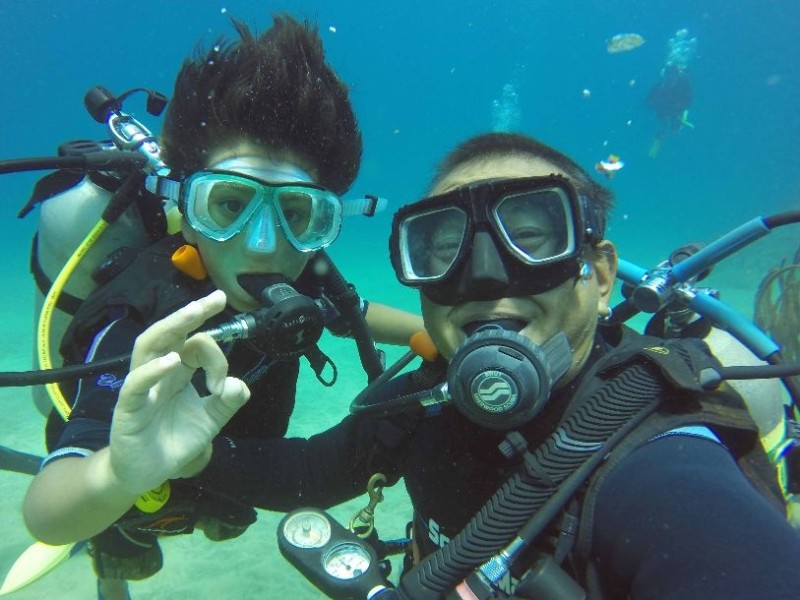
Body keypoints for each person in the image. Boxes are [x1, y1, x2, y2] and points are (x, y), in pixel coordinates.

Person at [27, 132, 800, 599]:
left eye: (532, 234)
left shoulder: (661, 463)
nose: (485, 275)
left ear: (599, 275)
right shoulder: (427, 400)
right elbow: (311, 474)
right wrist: (192, 456)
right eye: (442, 247)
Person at [23, 14, 422, 600]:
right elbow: (47, 509)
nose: (262, 244)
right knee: (123, 543)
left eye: (297, 214)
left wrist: (439, 336)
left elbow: (358, 313)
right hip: (129, 479)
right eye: (229, 204)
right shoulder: (143, 314)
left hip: (231, 461)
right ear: (186, 209)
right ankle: (112, 570)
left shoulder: (303, 280)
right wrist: (115, 473)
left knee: (225, 518)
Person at [647, 28, 697, 158]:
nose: (671, 79)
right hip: (665, 107)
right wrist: (657, 105)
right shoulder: (662, 84)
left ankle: (676, 128)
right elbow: (649, 100)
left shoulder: (683, 83)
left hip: (677, 108)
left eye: (673, 76)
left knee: (676, 126)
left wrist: (681, 113)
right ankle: (660, 134)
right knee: (662, 122)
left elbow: (689, 101)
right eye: (669, 76)